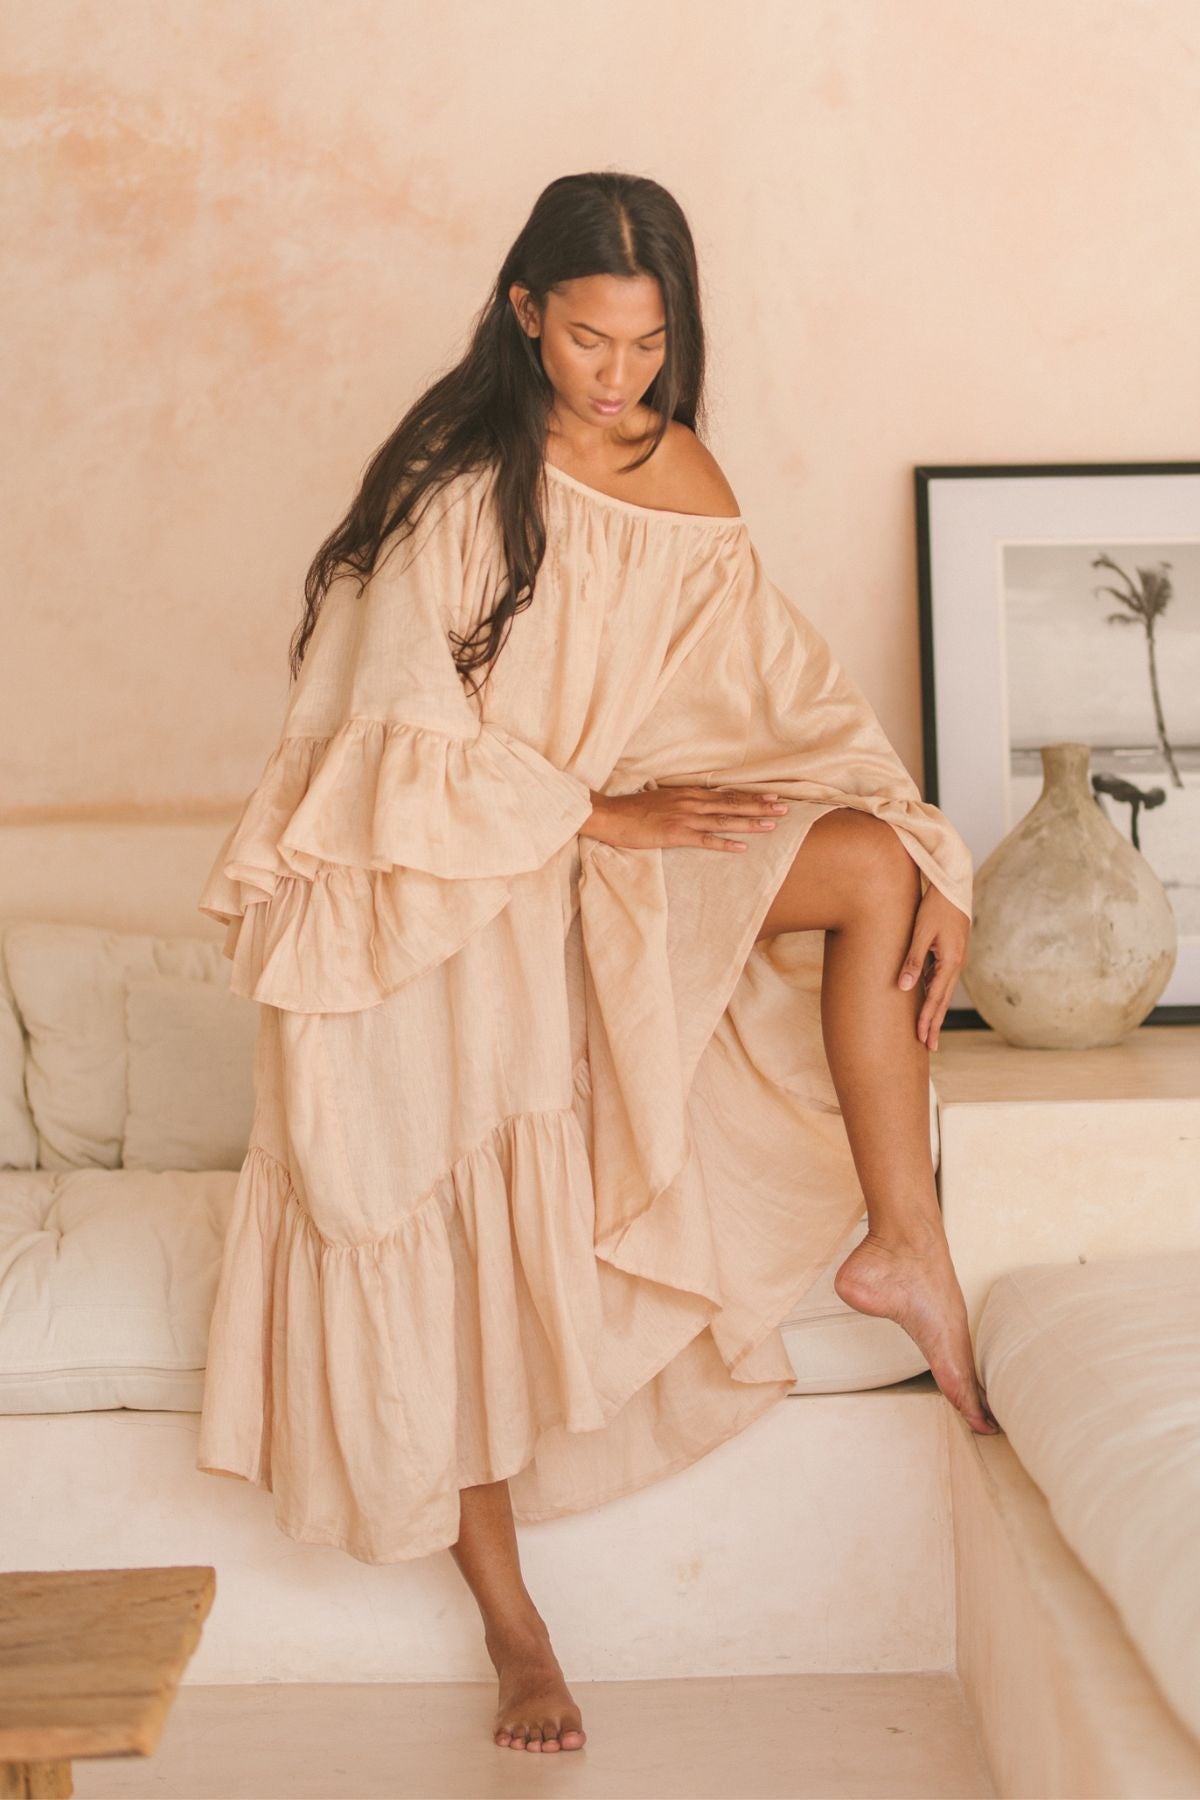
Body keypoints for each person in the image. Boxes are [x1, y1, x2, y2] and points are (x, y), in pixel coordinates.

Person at [194, 169, 1000, 1756]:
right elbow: (392, 745)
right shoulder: (454, 479)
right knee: (443, 1257)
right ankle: (516, 1632)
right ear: (522, 317)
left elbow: (777, 692)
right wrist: (603, 812)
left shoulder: (679, 470)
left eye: (644, 345)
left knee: (876, 867)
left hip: (583, 880)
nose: (616, 376)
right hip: (422, 915)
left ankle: (908, 1250)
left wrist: (921, 847)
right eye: (585, 341)